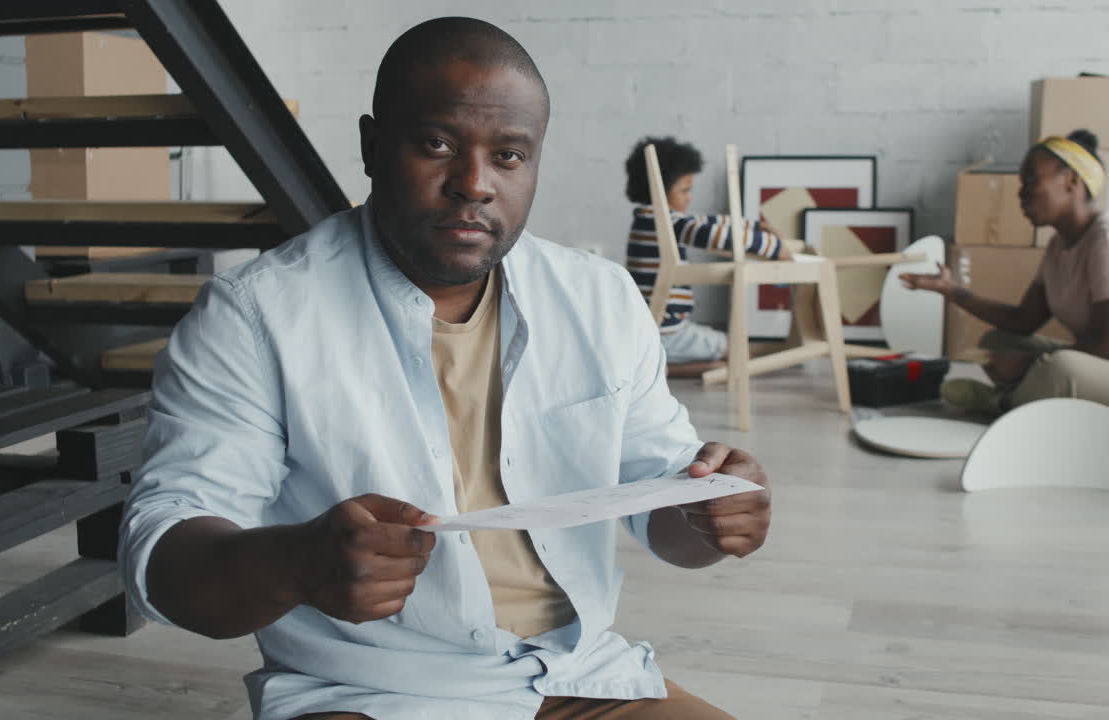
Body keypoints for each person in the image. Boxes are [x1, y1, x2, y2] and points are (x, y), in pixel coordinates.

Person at [118, 17, 772, 720]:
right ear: (372, 146)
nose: (474, 184)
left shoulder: (600, 299)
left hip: (580, 679)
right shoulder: (255, 317)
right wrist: (299, 562)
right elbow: (161, 552)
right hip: (368, 693)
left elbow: (664, 514)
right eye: (437, 144)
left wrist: (711, 516)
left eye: (510, 156)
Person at [902, 129, 1109, 437]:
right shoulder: (1058, 247)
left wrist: (1035, 362)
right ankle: (1037, 398)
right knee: (999, 342)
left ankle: (1003, 404)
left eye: (1031, 180)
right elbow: (1022, 321)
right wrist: (949, 290)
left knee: (1062, 369)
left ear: (1072, 181)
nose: (1021, 193)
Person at [623, 137, 791, 368]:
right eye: (684, 190)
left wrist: (753, 226)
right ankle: (668, 367)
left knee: (721, 344)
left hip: (666, 328)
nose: (689, 197)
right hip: (667, 331)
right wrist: (774, 248)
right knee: (736, 350)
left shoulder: (649, 218)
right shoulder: (665, 222)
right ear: (660, 191)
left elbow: (705, 221)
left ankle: (669, 363)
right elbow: (708, 233)